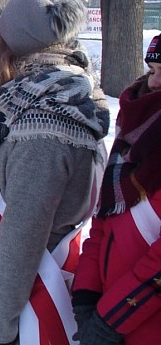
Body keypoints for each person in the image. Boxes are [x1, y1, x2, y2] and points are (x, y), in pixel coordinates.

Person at [0, 0, 110, 345]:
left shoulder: (41, 123)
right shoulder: (66, 94)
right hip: (40, 282)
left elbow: (23, 235)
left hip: (32, 298)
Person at [71, 35, 161, 345]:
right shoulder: (133, 134)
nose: (155, 82)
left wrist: (111, 319)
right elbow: (103, 224)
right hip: (113, 314)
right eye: (151, 70)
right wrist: (85, 294)